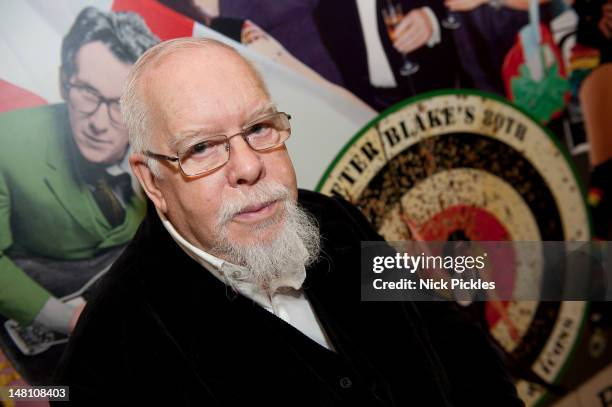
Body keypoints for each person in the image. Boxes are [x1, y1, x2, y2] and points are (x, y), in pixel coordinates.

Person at [54, 37, 523, 406]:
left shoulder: (335, 221)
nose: (248, 166)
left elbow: (455, 346)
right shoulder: (108, 356)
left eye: (258, 128)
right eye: (201, 148)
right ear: (152, 181)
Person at [0, 7, 158, 384]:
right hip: (45, 316)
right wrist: (67, 319)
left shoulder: (163, 134)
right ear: (63, 81)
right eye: (87, 92)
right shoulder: (7, 142)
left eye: (120, 104)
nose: (99, 123)